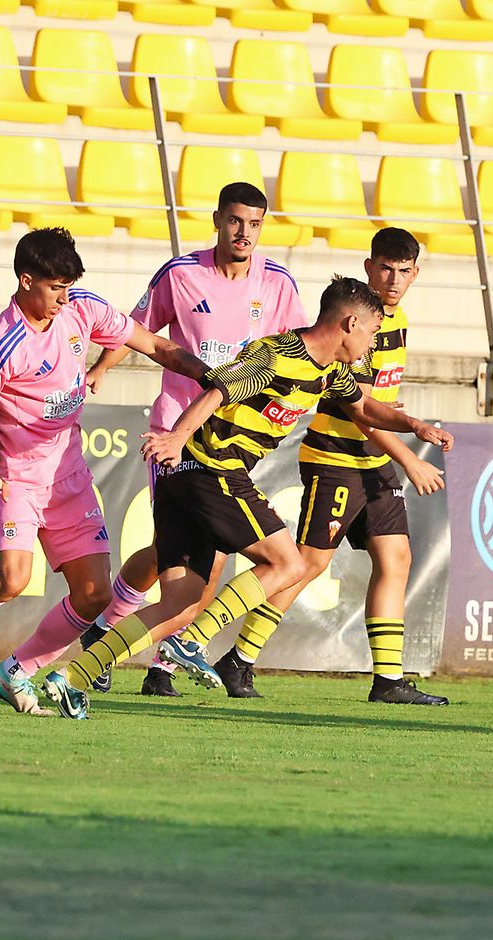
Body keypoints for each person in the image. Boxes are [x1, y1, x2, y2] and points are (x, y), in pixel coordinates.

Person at [42, 277, 453, 720]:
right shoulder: (277, 353)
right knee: (289, 563)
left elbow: (363, 409)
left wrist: (415, 425)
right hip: (210, 469)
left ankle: (71, 677)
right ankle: (194, 640)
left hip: (188, 475)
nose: (372, 343)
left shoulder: (330, 371)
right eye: (372, 332)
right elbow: (217, 389)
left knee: (179, 601)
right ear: (351, 323)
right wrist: (178, 437)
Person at [0, 227, 209, 717]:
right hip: (14, 476)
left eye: (67, 286)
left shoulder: (81, 308)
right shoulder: (2, 344)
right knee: (10, 580)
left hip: (69, 475)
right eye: (54, 287)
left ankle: (15, 670)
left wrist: (213, 378)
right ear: (25, 280)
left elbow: (156, 346)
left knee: (95, 593)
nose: (63, 297)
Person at [198, 228, 450, 705]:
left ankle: (388, 681)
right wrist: (411, 458)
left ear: (415, 273)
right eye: (384, 268)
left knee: (396, 560)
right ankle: (237, 658)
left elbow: (379, 401)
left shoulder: (397, 324)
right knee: (307, 565)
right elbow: (360, 409)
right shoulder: (356, 327)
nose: (393, 280)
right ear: (368, 266)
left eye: (403, 271)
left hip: (375, 462)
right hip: (335, 458)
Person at [78, 181, 306, 698]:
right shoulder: (182, 275)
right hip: (175, 435)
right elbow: (135, 328)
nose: (244, 232)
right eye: (235, 221)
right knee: (188, 561)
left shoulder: (277, 285)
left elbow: (297, 351)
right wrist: (99, 370)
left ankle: (135, 651)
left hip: (231, 442)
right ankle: (135, 648)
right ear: (218, 219)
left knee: (181, 559)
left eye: (254, 223)